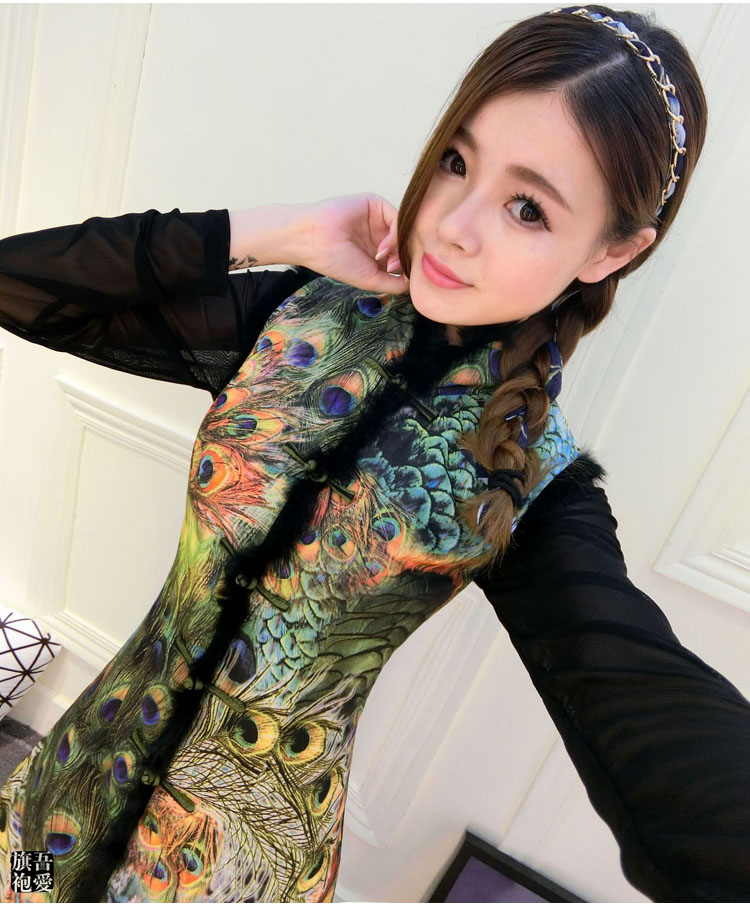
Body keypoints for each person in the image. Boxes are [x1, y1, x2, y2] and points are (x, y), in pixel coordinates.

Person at [0, 4, 748, 902]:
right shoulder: (294, 318)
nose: (453, 224)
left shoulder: (532, 482)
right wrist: (275, 232)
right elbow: (19, 285)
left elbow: (647, 706)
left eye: (527, 208)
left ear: (613, 251)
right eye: (456, 161)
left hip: (233, 873)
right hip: (74, 782)